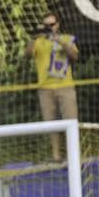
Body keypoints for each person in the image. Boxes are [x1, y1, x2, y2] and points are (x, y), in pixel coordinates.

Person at [24, 12, 80, 161]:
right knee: (50, 123)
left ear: (58, 25)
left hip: (65, 86)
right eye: (46, 25)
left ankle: (73, 155)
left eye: (52, 24)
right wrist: (34, 38)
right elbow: (27, 55)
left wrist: (60, 41)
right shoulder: (39, 42)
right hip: (45, 89)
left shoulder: (67, 38)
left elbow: (75, 56)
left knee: (71, 120)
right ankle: (56, 155)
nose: (49, 28)